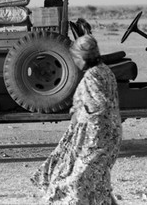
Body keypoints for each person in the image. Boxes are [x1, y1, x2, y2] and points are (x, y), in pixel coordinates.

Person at [31, 35, 122, 204]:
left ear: (81, 57)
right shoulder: (105, 70)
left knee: (77, 182)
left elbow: (99, 107)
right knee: (97, 181)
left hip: (95, 139)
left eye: (74, 57)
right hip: (108, 136)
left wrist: (79, 114)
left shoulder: (92, 77)